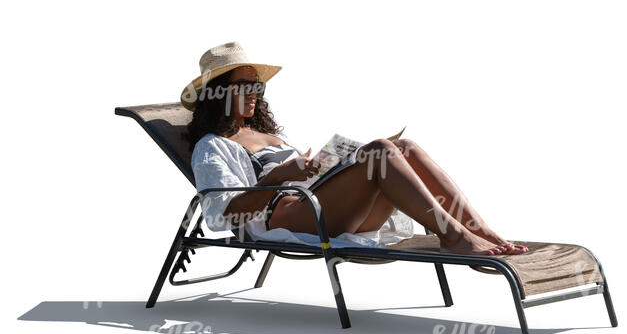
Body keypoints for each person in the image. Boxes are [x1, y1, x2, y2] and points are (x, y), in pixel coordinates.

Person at [181, 42, 528, 256]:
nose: (255, 91)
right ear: (218, 92)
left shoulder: (264, 133)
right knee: (380, 150)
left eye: (256, 84)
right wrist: (281, 176)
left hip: (318, 203)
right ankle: (454, 236)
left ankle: (479, 229)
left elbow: (303, 178)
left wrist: (324, 165)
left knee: (403, 146)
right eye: (244, 85)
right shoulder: (213, 147)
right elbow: (222, 216)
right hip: (291, 218)